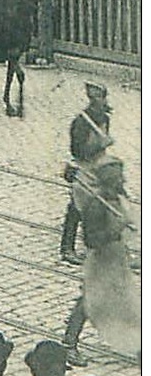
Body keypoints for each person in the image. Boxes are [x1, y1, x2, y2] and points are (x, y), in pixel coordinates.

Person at [63, 155, 140, 360]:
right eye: (118, 178)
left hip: (117, 257)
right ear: (108, 181)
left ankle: (139, 344)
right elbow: (90, 240)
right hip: (100, 261)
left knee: (128, 300)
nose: (123, 181)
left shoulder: (117, 197)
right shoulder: (96, 206)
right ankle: (69, 343)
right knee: (89, 301)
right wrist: (113, 231)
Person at [61, 82, 113, 265]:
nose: (100, 102)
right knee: (76, 206)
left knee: (104, 204)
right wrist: (100, 144)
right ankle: (67, 248)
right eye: (96, 99)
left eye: (102, 98)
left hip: (99, 166)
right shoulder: (81, 121)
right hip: (84, 167)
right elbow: (77, 150)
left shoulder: (104, 118)